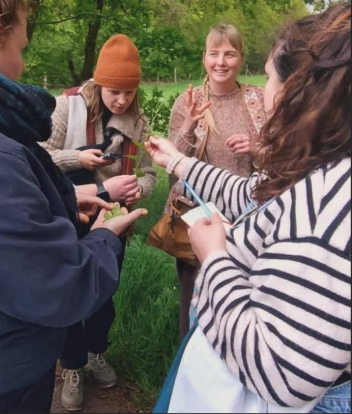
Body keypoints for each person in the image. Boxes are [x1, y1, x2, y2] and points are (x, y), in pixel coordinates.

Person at [0, 1, 147, 413]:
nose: (24, 65)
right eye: (23, 49)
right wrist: (105, 236)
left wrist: (67, 199)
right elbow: (59, 286)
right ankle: (72, 365)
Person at [146, 3, 351, 412]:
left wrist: (216, 258)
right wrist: (177, 158)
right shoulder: (319, 164)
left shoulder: (328, 210)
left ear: (302, 89)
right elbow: (250, 192)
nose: (270, 91)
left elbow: (281, 373)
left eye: (272, 77)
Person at [40, 34, 156, 411]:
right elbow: (37, 158)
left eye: (128, 92)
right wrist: (79, 160)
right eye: (113, 91)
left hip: (114, 220)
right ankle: (72, 364)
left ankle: (95, 352)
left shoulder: (137, 122)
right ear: (99, 81)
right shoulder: (66, 106)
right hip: (67, 214)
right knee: (70, 293)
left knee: (104, 294)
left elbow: (149, 174)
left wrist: (138, 187)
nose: (121, 99)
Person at [166, 24, 266, 339]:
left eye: (229, 53)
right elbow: (172, 164)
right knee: (192, 294)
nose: (221, 61)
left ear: (241, 58)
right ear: (204, 58)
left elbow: (280, 162)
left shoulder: (257, 99)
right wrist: (189, 127)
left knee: (241, 294)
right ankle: (187, 366)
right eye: (214, 53)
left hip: (246, 218)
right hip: (195, 216)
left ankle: (230, 362)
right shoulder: (188, 102)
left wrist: (256, 147)